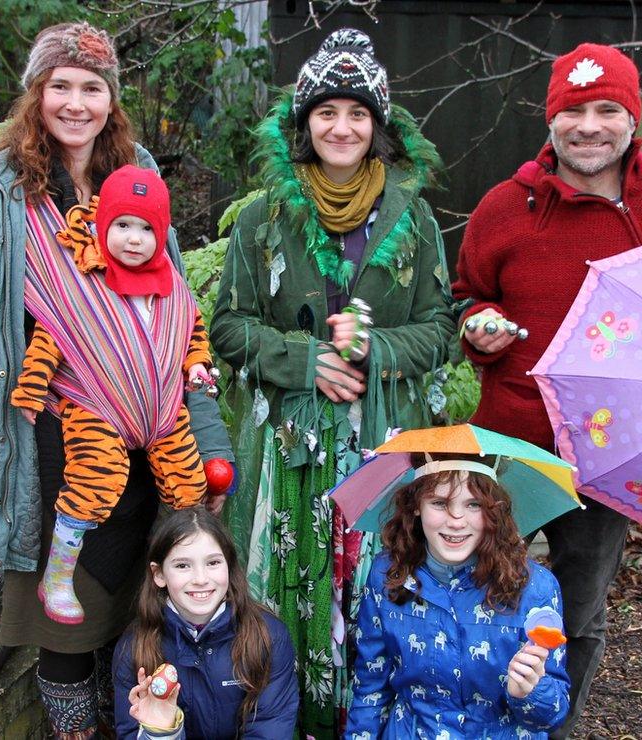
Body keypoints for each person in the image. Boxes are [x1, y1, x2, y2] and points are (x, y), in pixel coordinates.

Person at [0, 22, 233, 738]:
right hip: (57, 453)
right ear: (36, 94)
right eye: (60, 85)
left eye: (92, 87)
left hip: (153, 449)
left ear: (111, 101)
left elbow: (180, 325)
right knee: (63, 639)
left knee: (152, 629)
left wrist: (211, 445)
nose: (76, 102)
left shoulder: (138, 184)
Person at [452, 43, 642, 738]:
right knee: (466, 585)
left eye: (606, 110)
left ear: (632, 119)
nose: (588, 126)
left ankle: (554, 724)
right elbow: (469, 296)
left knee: (579, 606)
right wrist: (479, 328)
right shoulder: (506, 207)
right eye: (573, 112)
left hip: (616, 456)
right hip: (511, 439)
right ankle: (463, 715)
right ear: (551, 119)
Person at [210, 27, 455, 736]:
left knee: (379, 585)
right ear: (303, 125)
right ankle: (288, 718)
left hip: (384, 442)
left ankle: (374, 719)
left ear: (377, 126)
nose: (341, 127)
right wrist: (301, 357)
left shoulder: (415, 223)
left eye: (356, 113)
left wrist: (376, 349)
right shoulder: (261, 220)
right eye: (326, 112)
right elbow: (228, 324)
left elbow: (441, 330)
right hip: (289, 446)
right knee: (289, 591)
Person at [9, 164, 223, 625]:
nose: (133, 238)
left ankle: (184, 571)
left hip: (163, 411)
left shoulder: (171, 287)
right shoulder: (82, 283)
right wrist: (31, 389)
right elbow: (51, 337)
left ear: (161, 234)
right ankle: (59, 576)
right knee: (94, 485)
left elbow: (192, 331)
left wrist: (197, 365)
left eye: (146, 228)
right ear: (102, 226)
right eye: (122, 225)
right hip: (98, 408)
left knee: (190, 487)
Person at [347, 452, 570, 738]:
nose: (456, 520)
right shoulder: (388, 575)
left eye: (473, 504)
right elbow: (371, 684)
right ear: (416, 506)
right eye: (439, 503)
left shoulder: (534, 587)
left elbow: (552, 716)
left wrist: (530, 692)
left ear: (493, 510)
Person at [112, 507, 299, 739]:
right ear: (158, 574)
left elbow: (271, 727)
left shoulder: (268, 636)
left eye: (212, 563)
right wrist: (161, 733)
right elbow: (129, 732)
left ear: (229, 566)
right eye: (182, 565)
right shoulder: (134, 648)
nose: (201, 579)